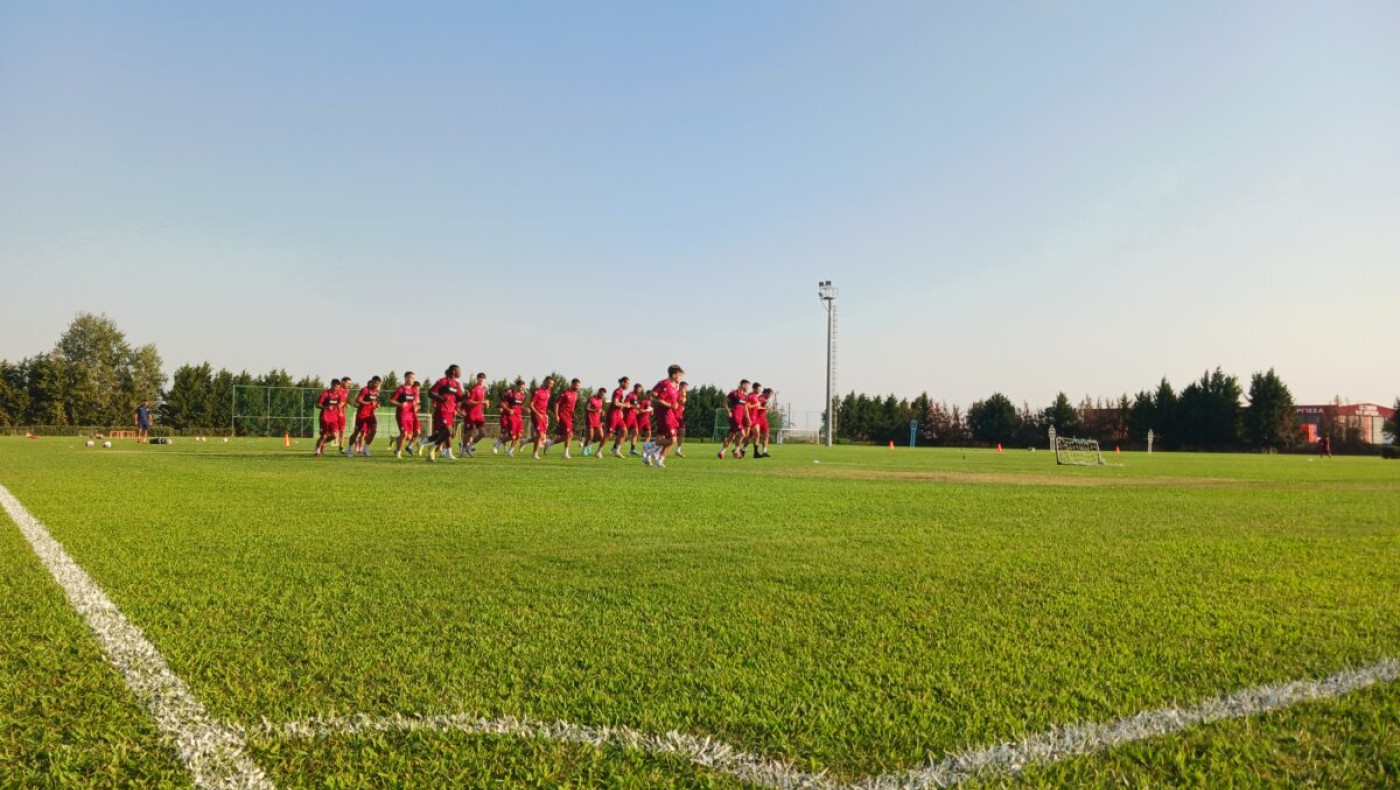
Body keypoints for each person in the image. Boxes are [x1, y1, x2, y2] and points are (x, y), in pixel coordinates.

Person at [642, 364, 685, 468]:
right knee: (672, 439)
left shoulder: (676, 387)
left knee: (666, 438)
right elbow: (656, 397)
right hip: (664, 414)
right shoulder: (665, 384)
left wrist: (681, 398)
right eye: (680, 375)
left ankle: (659, 460)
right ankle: (649, 446)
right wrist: (669, 405)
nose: (681, 377)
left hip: (671, 415)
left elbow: (676, 401)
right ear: (674, 375)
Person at [422, 365, 463, 461]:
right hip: (442, 410)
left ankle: (438, 450)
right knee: (449, 431)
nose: (460, 372)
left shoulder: (457, 384)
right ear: (454, 371)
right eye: (459, 370)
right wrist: (440, 398)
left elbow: (458, 398)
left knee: (445, 433)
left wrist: (465, 396)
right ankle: (433, 447)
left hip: (451, 412)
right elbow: (430, 392)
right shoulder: (443, 381)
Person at [347, 376, 382, 457]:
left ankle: (366, 449)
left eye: (379, 383)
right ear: (372, 381)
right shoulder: (365, 390)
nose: (377, 384)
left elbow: (374, 402)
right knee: (356, 432)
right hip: (362, 414)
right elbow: (358, 400)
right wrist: (368, 403)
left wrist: (376, 405)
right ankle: (349, 449)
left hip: (370, 414)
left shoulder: (376, 391)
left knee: (373, 430)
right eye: (376, 382)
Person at [522, 376, 555, 460]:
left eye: (552, 384)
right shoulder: (537, 391)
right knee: (540, 435)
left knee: (542, 437)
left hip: (543, 416)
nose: (551, 386)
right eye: (550, 384)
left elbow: (544, 404)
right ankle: (534, 454)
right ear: (545, 382)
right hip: (536, 415)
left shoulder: (548, 391)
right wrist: (538, 414)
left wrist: (544, 414)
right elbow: (531, 405)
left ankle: (525, 442)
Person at [389, 372, 421, 458]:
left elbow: (416, 401)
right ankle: (398, 452)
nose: (413, 380)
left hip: (411, 416)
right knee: (404, 434)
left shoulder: (414, 390)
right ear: (406, 378)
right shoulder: (400, 389)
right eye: (411, 378)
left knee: (411, 436)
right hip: (402, 415)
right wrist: (400, 404)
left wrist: (416, 405)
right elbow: (391, 400)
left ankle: (399, 444)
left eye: (414, 378)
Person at [313, 379, 348, 457]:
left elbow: (339, 404)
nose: (336, 388)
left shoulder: (339, 394)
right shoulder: (325, 393)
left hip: (334, 418)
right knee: (324, 435)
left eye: (338, 387)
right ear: (331, 385)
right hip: (324, 417)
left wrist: (340, 412)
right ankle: (317, 450)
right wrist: (326, 407)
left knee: (334, 435)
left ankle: (321, 444)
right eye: (335, 387)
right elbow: (317, 405)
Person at [718, 379, 751, 459]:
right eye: (747, 386)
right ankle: (736, 451)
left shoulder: (745, 396)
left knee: (732, 436)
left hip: (740, 418)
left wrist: (748, 418)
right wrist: (728, 411)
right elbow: (725, 401)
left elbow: (745, 408)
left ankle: (722, 452)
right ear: (743, 385)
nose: (748, 388)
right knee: (742, 434)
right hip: (735, 417)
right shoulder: (734, 393)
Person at [460, 372, 490, 457]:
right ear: (477, 379)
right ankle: (463, 449)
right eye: (480, 378)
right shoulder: (474, 389)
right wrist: (481, 402)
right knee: (470, 433)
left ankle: (469, 447)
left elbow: (483, 402)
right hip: (471, 414)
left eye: (483, 378)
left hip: (479, 415)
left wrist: (486, 403)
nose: (481, 379)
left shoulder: (483, 389)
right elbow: (469, 402)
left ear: (485, 379)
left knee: (482, 433)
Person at [553, 378, 581, 459]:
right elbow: (557, 403)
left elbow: (572, 407)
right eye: (575, 386)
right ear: (572, 384)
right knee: (569, 434)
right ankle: (565, 453)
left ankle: (549, 443)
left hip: (570, 417)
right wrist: (556, 415)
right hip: (563, 415)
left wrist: (574, 415)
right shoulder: (565, 393)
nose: (577, 388)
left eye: (578, 387)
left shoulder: (575, 394)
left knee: (568, 435)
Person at [605, 377, 631, 458]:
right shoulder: (618, 391)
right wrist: (625, 405)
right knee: (609, 434)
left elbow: (618, 405)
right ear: (623, 383)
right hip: (613, 415)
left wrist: (621, 411)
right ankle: (599, 451)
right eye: (627, 383)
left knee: (624, 431)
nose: (628, 385)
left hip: (618, 415)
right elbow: (615, 403)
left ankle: (616, 450)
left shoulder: (621, 392)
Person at [582, 387, 607, 457]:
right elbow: (586, 408)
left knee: (601, 437)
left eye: (603, 395)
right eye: (602, 394)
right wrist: (595, 410)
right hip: (590, 420)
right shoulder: (591, 399)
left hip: (597, 420)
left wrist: (602, 412)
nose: (602, 396)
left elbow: (600, 409)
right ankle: (584, 450)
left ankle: (589, 445)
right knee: (590, 437)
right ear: (598, 392)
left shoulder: (601, 400)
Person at [336, 376, 353, 451]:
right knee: (331, 432)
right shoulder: (336, 389)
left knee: (342, 430)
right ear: (343, 382)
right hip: (334, 413)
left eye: (350, 383)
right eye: (348, 383)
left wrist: (346, 404)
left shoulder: (346, 391)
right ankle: (322, 446)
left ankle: (341, 447)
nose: (349, 385)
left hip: (342, 413)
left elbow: (342, 401)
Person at [674, 382, 689, 458]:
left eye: (686, 387)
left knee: (682, 432)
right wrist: (683, 395)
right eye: (684, 387)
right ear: (680, 386)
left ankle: (678, 450)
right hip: (673, 416)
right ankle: (654, 448)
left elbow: (682, 402)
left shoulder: (683, 394)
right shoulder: (676, 393)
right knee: (668, 436)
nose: (685, 389)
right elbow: (682, 401)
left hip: (679, 416)